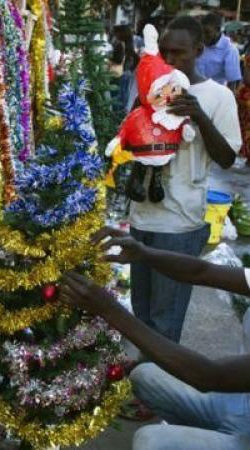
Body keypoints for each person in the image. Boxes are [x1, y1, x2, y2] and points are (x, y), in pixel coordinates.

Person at [60, 226, 250, 450]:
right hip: (242, 405)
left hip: (225, 393)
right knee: (145, 376)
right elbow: (201, 271)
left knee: (151, 441)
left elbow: (209, 376)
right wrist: (143, 253)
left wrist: (109, 309)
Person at [127, 16, 242, 344]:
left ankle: (158, 389)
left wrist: (199, 115)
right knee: (142, 313)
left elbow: (227, 158)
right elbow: (127, 146)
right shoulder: (149, 88)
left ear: (198, 50)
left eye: (179, 53)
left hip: (180, 224)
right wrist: (141, 109)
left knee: (166, 319)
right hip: (142, 216)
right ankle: (145, 381)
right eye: (164, 52)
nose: (170, 60)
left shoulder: (219, 97)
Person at [197, 13, 242, 89]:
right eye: (201, 32)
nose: (203, 36)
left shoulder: (229, 50)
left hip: (215, 94)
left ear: (218, 29)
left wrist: (227, 99)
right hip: (194, 91)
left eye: (207, 32)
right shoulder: (198, 44)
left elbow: (232, 82)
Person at [110, 24, 139, 113]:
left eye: (116, 33)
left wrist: (108, 59)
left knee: (116, 95)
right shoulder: (130, 44)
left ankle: (116, 116)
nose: (115, 35)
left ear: (121, 34)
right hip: (127, 72)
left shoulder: (119, 44)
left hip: (118, 73)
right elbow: (136, 59)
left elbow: (118, 60)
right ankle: (121, 114)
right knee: (124, 95)